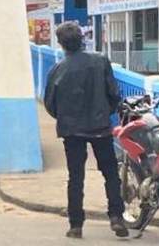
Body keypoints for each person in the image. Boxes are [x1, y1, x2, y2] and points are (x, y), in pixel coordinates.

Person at [44, 22, 128, 240]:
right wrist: (103, 113)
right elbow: (114, 94)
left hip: (72, 131)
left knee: (76, 177)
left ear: (61, 43)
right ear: (82, 38)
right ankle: (117, 217)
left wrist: (66, 118)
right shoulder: (100, 61)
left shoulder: (58, 69)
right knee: (110, 174)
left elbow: (50, 103)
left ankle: (76, 225)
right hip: (100, 128)